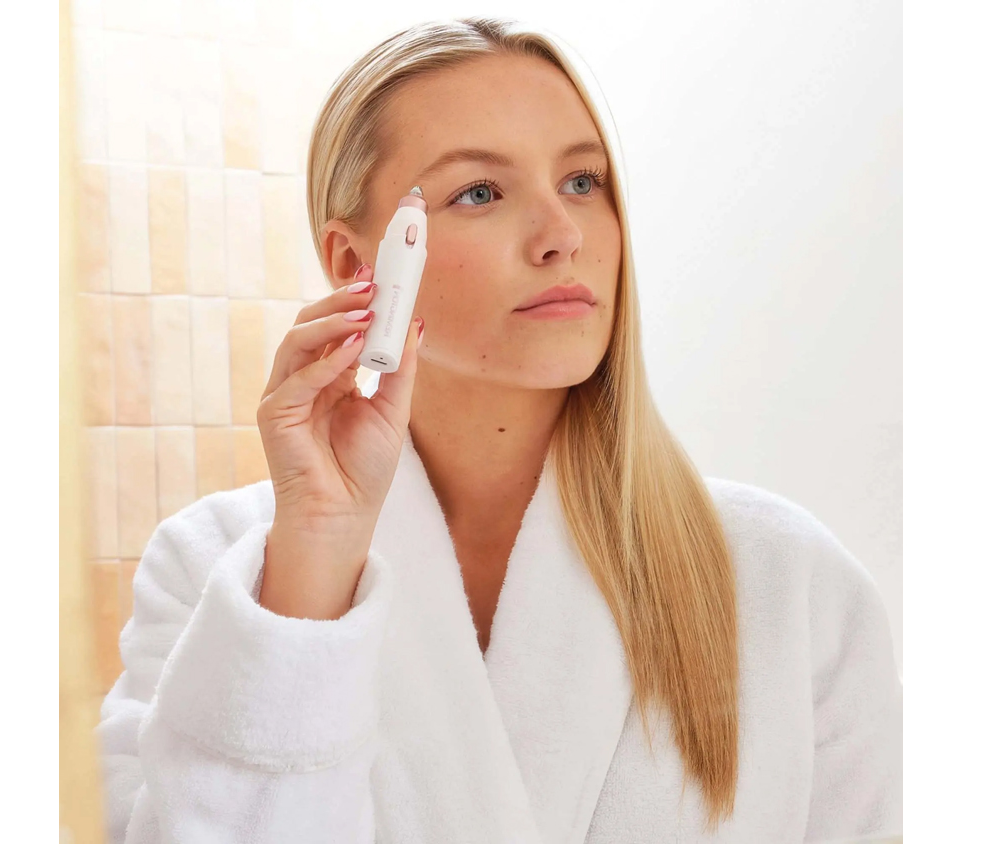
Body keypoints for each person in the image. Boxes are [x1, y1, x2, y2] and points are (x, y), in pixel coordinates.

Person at [96, 16, 901, 844]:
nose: (563, 236)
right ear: (355, 264)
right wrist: (315, 557)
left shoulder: (789, 584)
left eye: (582, 181)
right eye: (480, 192)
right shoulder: (211, 571)